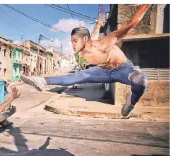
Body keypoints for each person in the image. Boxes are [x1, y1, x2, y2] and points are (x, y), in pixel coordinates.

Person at [21, 4, 151, 117]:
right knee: (78, 76)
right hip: (103, 71)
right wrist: (97, 25)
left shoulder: (104, 43)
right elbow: (93, 34)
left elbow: (131, 25)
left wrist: (146, 5)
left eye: (75, 41)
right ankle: (42, 80)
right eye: (72, 42)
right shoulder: (83, 50)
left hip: (123, 69)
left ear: (84, 40)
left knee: (141, 80)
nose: (72, 45)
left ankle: (131, 102)